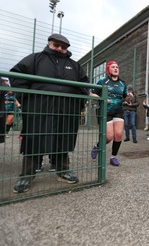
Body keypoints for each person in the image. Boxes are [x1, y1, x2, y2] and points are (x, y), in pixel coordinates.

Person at [9, 33, 90, 193]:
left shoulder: (74, 65)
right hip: (39, 108)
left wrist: (78, 103)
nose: (60, 49)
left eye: (64, 47)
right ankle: (26, 176)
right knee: (34, 139)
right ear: (49, 44)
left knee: (63, 137)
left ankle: (63, 171)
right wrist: (26, 99)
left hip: (66, 109)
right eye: (56, 45)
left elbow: (84, 85)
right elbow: (17, 75)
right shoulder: (35, 59)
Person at [91, 61, 128, 166]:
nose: (116, 68)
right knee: (108, 137)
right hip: (105, 111)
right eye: (113, 67)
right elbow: (92, 93)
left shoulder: (122, 83)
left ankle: (113, 157)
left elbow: (124, 96)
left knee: (118, 135)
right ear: (108, 69)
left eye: (117, 67)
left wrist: (127, 99)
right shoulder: (102, 81)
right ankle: (97, 146)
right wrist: (101, 98)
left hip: (118, 111)